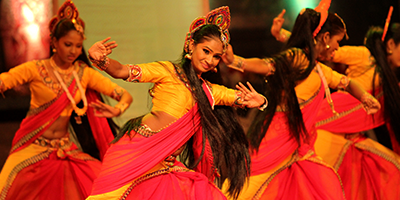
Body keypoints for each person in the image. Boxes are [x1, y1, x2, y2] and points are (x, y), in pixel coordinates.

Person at [85, 6, 267, 200]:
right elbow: (122, 71)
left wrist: (261, 100)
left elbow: (237, 97)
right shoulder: (166, 71)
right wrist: (102, 61)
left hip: (168, 163)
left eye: (216, 56)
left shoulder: (210, 91)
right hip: (137, 150)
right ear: (190, 45)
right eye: (206, 51)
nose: (210, 60)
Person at [222, 1, 381, 199]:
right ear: (325, 38)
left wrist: (365, 97)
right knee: (251, 188)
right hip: (277, 139)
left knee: (314, 188)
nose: (338, 47)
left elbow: (347, 83)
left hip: (299, 145)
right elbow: (268, 65)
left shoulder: (319, 69)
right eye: (338, 41)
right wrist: (235, 61)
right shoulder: (299, 58)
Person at [0, 1, 133, 199]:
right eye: (67, 44)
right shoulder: (35, 69)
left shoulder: (83, 73)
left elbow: (124, 95)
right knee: (5, 186)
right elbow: (4, 80)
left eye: (78, 46)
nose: (73, 51)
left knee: (104, 186)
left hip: (65, 149)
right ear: (54, 43)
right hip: (33, 145)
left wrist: (118, 109)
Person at [272, 6, 400, 199]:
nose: (338, 45)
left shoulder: (393, 84)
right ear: (391, 44)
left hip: (350, 137)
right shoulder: (365, 57)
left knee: (389, 168)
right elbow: (325, 49)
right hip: (321, 125)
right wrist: (282, 34)